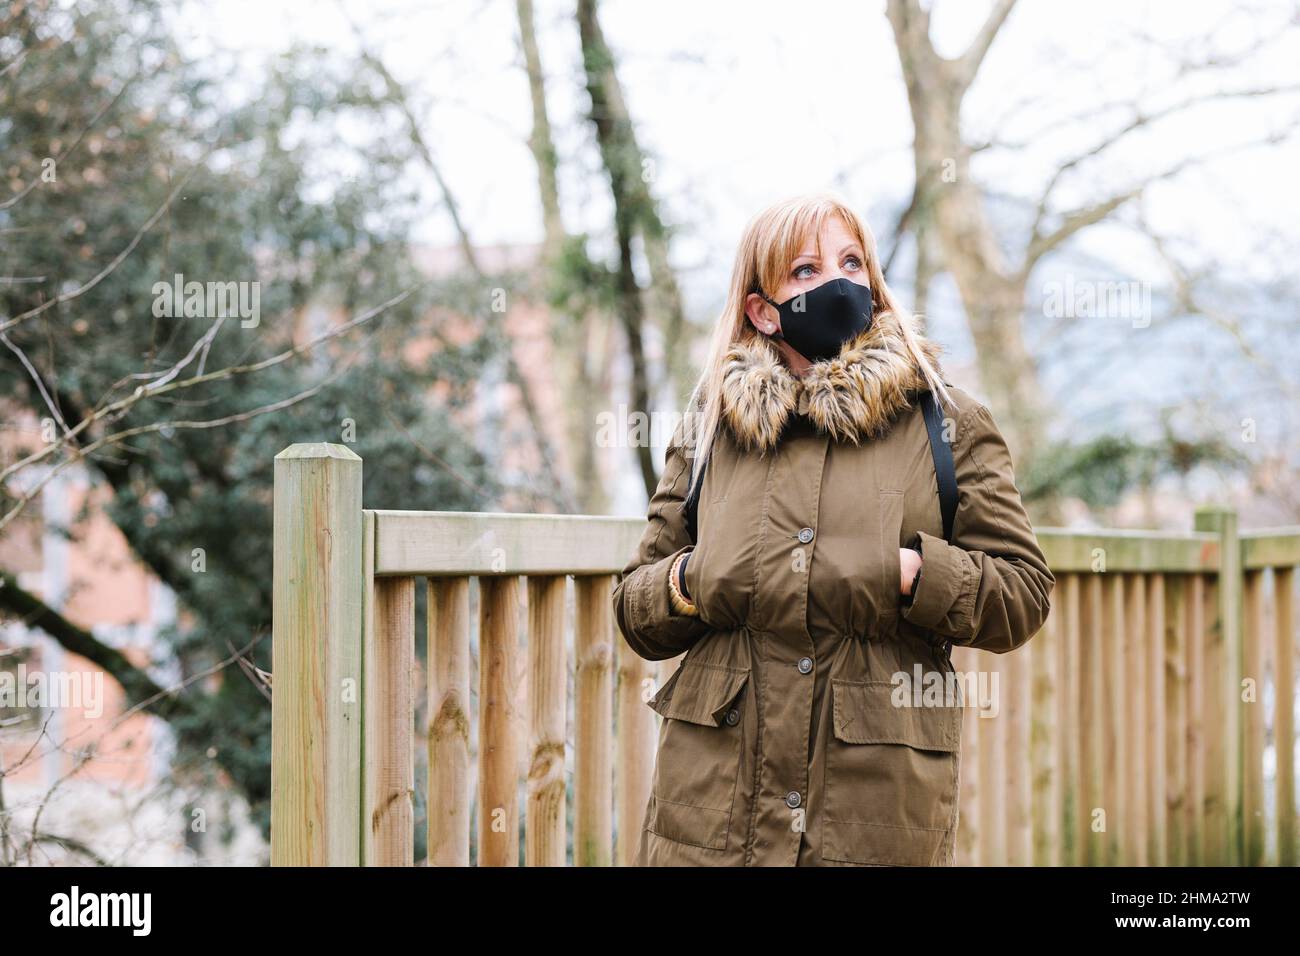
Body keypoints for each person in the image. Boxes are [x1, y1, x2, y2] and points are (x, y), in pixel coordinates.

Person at [611, 191, 1054, 866]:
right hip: (712, 815)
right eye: (806, 271)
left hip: (870, 812)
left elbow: (1022, 595)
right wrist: (693, 580)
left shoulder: (946, 421)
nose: (838, 283)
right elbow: (635, 609)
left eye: (852, 262)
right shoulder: (711, 426)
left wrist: (910, 573)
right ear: (762, 309)